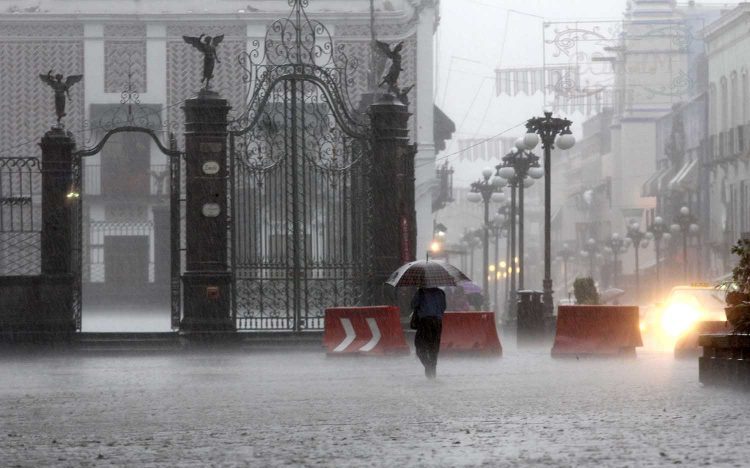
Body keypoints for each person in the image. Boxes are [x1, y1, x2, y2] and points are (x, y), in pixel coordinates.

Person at [411, 287, 446, 379]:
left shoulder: (421, 292)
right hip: (437, 323)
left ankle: (428, 366)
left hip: (425, 322)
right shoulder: (441, 293)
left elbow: (413, 304)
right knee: (434, 347)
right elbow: (443, 308)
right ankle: (432, 372)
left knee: (419, 347)